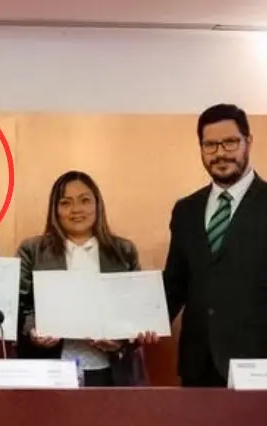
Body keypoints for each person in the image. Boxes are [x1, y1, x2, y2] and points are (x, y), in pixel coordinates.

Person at [162, 103, 267, 387]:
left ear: (248, 142)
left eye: (230, 142)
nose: (220, 153)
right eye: (210, 145)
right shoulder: (186, 210)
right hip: (198, 367)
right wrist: (131, 330)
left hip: (258, 367)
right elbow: (174, 285)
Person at [15, 171, 147, 386]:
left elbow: (136, 310)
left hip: (111, 373)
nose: (76, 209)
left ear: (98, 205)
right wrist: (33, 331)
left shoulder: (123, 251)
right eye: (65, 203)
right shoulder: (33, 250)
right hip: (50, 371)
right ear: (55, 210)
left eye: (85, 200)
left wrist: (121, 340)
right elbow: (19, 306)